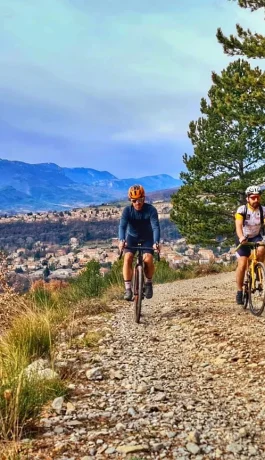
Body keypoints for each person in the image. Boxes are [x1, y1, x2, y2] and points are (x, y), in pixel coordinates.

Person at [118, 184, 161, 301]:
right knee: (127, 258)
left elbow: (156, 227)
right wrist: (122, 240)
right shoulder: (127, 211)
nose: (138, 203)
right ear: (130, 200)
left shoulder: (151, 210)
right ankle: (128, 289)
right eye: (134, 200)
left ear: (144, 198)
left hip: (147, 238)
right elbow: (122, 227)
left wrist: (156, 242)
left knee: (148, 259)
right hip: (132, 237)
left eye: (140, 199)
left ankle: (148, 283)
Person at [235, 185, 265, 305]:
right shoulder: (242, 210)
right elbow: (238, 225)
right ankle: (239, 290)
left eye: (257, 197)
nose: (256, 200)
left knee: (262, 250)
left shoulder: (263, 210)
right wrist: (241, 237)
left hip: (256, 237)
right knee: (242, 264)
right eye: (253, 198)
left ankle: (257, 269)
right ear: (248, 198)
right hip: (243, 238)